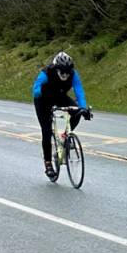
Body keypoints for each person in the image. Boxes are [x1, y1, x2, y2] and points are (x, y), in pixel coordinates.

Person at [32, 51, 92, 179]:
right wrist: (39, 93)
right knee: (46, 131)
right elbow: (36, 88)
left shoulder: (73, 74)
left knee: (78, 112)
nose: (65, 75)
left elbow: (79, 92)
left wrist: (83, 108)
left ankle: (65, 137)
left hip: (59, 96)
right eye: (62, 72)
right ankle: (48, 164)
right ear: (56, 69)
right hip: (43, 99)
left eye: (67, 72)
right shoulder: (47, 72)